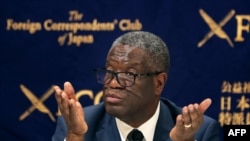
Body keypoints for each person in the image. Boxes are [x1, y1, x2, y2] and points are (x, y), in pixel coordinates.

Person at [52, 31, 220, 141]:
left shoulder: (199, 131)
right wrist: (75, 135)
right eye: (109, 72)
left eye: (128, 75)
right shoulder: (76, 126)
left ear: (158, 83)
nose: (112, 83)